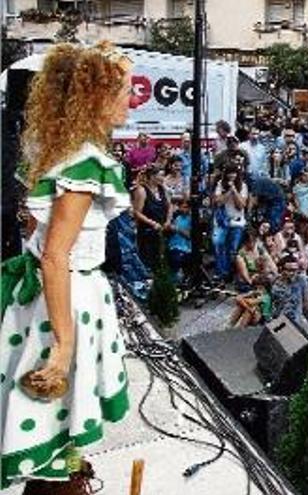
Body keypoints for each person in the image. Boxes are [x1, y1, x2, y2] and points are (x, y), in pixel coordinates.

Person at [0, 42, 132, 491]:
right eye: (124, 91)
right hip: (69, 296)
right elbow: (57, 255)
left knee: (45, 416)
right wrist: (64, 344)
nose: (129, 101)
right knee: (55, 418)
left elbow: (33, 226)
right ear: (95, 97)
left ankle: (61, 478)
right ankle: (60, 483)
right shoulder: (86, 162)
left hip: (47, 295)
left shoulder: (54, 148)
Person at [131, 163, 172, 270]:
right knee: (149, 259)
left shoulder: (162, 189)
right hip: (147, 230)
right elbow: (137, 212)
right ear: (152, 176)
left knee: (162, 257)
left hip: (162, 228)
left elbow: (170, 206)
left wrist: (168, 220)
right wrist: (152, 223)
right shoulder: (142, 190)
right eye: (161, 175)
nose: (163, 178)